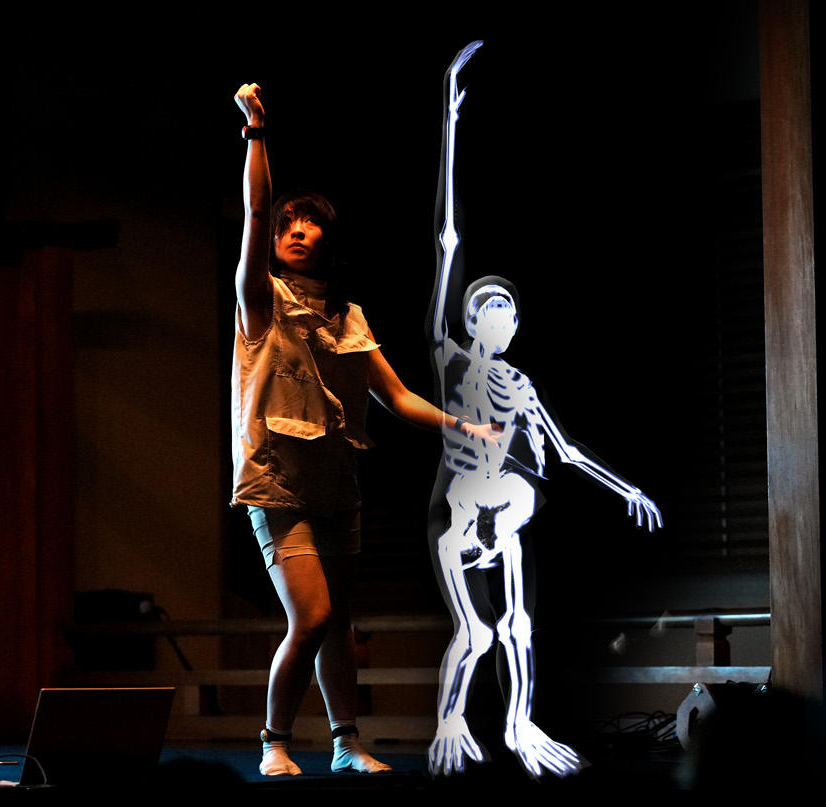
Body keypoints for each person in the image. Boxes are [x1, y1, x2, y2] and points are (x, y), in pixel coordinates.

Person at [230, 82, 492, 776]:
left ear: (328, 237)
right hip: (276, 482)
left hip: (336, 483)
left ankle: (346, 743)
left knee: (340, 620)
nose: (294, 229)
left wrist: (466, 427)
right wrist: (256, 132)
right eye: (287, 222)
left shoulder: (348, 316)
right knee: (312, 616)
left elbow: (398, 397)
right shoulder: (260, 301)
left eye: (308, 222)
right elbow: (255, 210)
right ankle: (273, 742)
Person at [424, 43, 662, 779]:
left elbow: (565, 450)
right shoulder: (450, 361)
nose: (497, 314)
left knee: (520, 624)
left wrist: (628, 488)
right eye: (486, 306)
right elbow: (447, 242)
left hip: (507, 515)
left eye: (507, 308)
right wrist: (450, 120)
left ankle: (520, 725)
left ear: (517, 324)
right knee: (475, 635)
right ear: (470, 319)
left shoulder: (522, 384)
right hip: (461, 515)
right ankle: (451, 721)